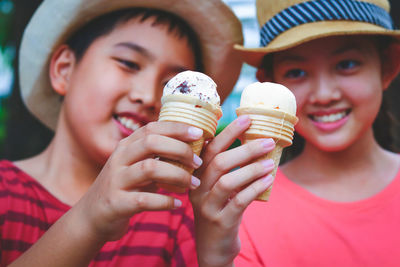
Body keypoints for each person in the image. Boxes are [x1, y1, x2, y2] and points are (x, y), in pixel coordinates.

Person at [1, 0, 278, 266]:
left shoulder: (180, 215)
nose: (148, 96)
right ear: (64, 69)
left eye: (173, 84)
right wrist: (87, 219)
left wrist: (216, 260)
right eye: (129, 63)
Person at [228, 0, 400, 266]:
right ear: (270, 86)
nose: (324, 95)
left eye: (347, 64)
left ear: (387, 67)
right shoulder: (240, 213)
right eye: (296, 72)